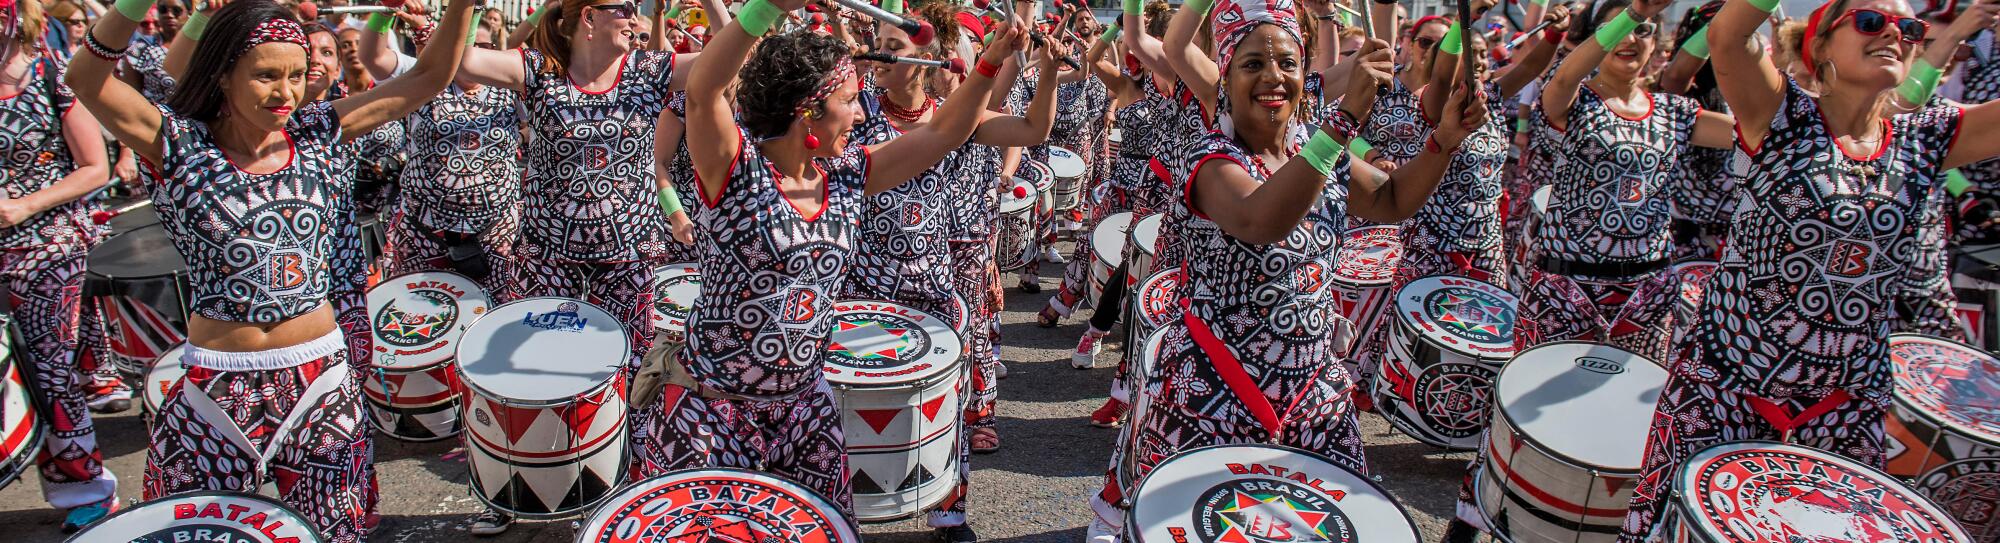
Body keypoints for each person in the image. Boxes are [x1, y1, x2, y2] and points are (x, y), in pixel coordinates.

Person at [66, 0, 478, 539]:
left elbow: (428, 76)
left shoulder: (319, 131)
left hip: (320, 383)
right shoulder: (178, 142)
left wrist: (463, 5)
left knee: (336, 532)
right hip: (213, 386)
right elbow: (86, 76)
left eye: (295, 75)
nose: (285, 93)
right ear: (222, 75)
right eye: (265, 76)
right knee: (191, 529)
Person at [1085, 0, 1488, 540]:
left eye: (1287, 64)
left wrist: (1443, 141)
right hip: (1212, 388)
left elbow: (1392, 199)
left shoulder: (1316, 153)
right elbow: (1260, 218)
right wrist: (1343, 124)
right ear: (1223, 77)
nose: (1273, 77)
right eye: (1252, 64)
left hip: (1313, 389)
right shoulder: (1210, 159)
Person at [1617, 0, 2000, 537]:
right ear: (1820, 48)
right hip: (1725, 395)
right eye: (1871, 21)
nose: (1895, 33)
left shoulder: (1927, 137)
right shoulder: (1783, 115)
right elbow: (1729, 35)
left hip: (1845, 413)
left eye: (1909, 28)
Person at [635, 0, 1027, 517]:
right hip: (713, 411)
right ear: (808, 109)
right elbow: (704, 88)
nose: (863, 112)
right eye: (849, 100)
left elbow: (941, 133)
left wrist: (989, 64)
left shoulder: (843, 177)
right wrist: (767, 8)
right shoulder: (735, 171)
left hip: (807, 410)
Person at [845, 2, 1058, 536]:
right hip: (863, 288)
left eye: (893, 49)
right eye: (877, 44)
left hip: (936, 287)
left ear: (930, 62)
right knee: (850, 414)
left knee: (947, 406)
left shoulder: (951, 115)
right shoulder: (852, 112)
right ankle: (843, 509)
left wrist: (1049, 70)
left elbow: (1032, 128)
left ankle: (950, 511)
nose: (878, 56)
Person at [453, 0, 692, 375]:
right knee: (546, 366)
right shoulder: (540, 68)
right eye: (624, 7)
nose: (632, 15)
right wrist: (465, 6)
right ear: (590, 16)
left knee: (626, 368)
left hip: (627, 255)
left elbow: (724, 67)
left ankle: (627, 434)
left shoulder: (648, 69)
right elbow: (464, 59)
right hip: (547, 256)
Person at [1515, 0, 1735, 362]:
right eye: (1615, 30)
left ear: (1657, 44)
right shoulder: (1575, 101)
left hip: (1646, 297)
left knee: (1626, 415)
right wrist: (1635, 13)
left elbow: (1754, 133)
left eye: (1644, 30)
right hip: (1565, 291)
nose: (1630, 37)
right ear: (1595, 39)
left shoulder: (1673, 112)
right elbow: (1565, 77)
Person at [0, 0, 116, 531]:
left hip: (47, 245)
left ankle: (84, 490)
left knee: (49, 370)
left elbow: (96, 167)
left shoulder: (49, 74)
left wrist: (24, 205)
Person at [356, 7, 522, 296]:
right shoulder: (424, 78)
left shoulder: (510, 87)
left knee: (489, 322)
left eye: (485, 49)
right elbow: (374, 57)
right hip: (423, 236)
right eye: (469, 47)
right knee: (417, 325)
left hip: (495, 238)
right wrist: (383, 13)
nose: (476, 57)